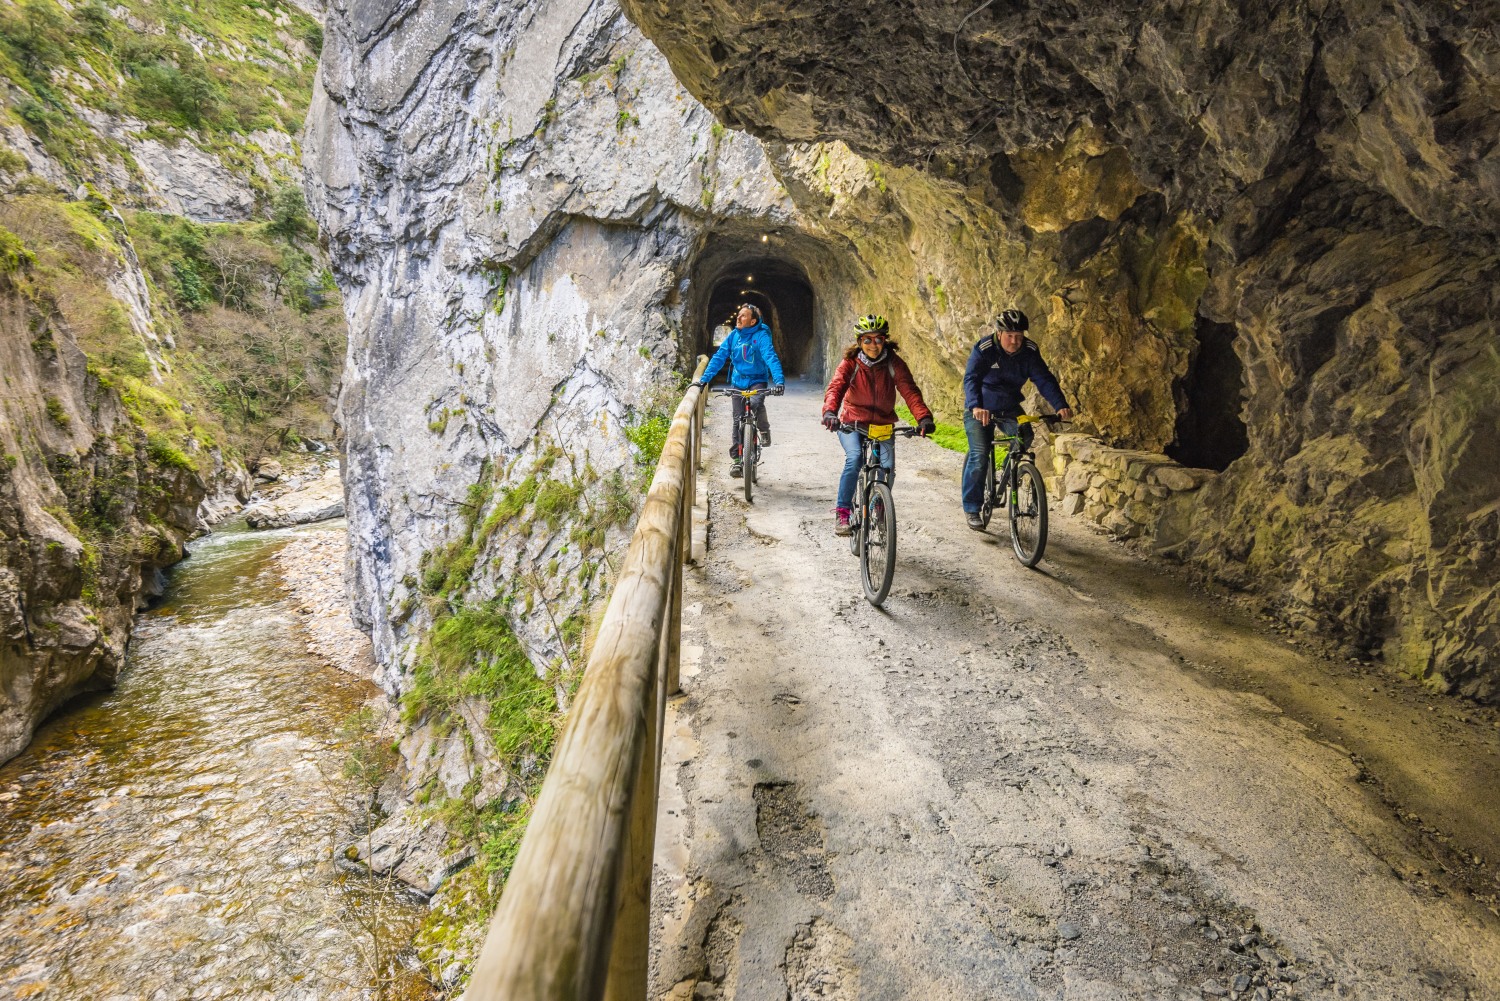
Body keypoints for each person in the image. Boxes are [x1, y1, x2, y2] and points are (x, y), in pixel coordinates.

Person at [821, 314, 935, 536]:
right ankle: (842, 512)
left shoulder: (893, 363)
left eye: (878, 339)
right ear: (859, 341)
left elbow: (909, 391)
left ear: (885, 340)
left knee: (888, 468)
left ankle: (880, 505)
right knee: (854, 459)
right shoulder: (850, 363)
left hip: (883, 423)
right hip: (852, 422)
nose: (873, 345)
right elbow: (836, 387)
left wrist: (923, 418)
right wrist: (830, 412)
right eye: (867, 340)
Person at [961, 308, 1074, 529]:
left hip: (1009, 407)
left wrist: (1060, 404)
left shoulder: (1029, 351)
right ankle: (972, 508)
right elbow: (971, 379)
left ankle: (1007, 470)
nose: (1015, 341)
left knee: (1026, 435)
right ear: (999, 333)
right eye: (1010, 336)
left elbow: (1044, 379)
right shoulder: (984, 349)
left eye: (1019, 336)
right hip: (980, 408)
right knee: (979, 455)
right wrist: (976, 406)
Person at [697, 303, 785, 478]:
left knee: (756, 403)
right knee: (737, 419)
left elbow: (770, 357)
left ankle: (764, 429)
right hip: (738, 381)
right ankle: (737, 460)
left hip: (757, 379)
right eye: (739, 314)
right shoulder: (733, 336)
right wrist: (704, 380)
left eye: (743, 315)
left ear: (752, 321)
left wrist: (779, 381)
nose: (738, 317)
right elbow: (719, 357)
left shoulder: (761, 336)